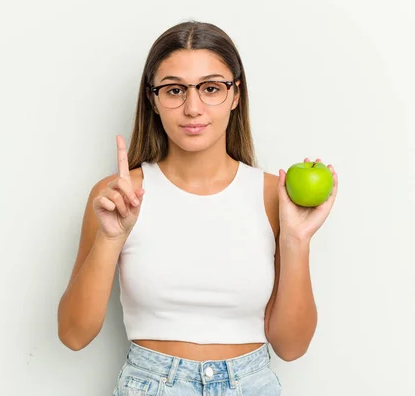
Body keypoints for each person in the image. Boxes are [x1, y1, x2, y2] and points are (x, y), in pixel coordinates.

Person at [57, 20, 338, 395]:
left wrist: (297, 240)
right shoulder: (120, 197)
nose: (193, 108)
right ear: (153, 99)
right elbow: (74, 335)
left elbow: (291, 347)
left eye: (211, 88)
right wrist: (111, 238)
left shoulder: (275, 195)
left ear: (236, 95)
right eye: (174, 90)